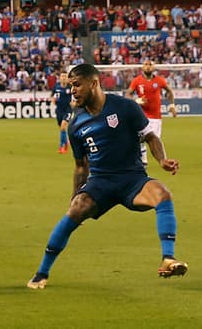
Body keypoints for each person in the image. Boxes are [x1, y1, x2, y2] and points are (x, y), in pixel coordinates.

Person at [27, 62, 185, 290]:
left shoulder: (125, 107)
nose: (72, 90)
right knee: (76, 210)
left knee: (162, 193)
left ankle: (168, 259)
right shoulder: (75, 124)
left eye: (77, 85)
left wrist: (161, 160)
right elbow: (81, 166)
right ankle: (42, 273)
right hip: (100, 183)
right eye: (70, 86)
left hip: (133, 179)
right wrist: (75, 196)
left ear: (93, 83)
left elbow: (150, 136)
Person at [127, 59, 176, 164]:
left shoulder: (160, 80)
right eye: (146, 64)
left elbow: (169, 91)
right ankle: (143, 161)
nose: (148, 66)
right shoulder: (137, 81)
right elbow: (128, 94)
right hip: (141, 115)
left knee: (155, 139)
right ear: (142, 67)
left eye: (150, 64)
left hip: (156, 117)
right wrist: (137, 100)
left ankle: (163, 160)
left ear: (154, 68)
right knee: (140, 140)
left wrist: (172, 105)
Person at [49, 71, 73, 154]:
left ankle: (61, 146)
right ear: (60, 78)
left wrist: (74, 102)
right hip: (59, 110)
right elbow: (52, 96)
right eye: (62, 76)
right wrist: (52, 100)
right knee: (61, 129)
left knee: (63, 126)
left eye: (65, 76)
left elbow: (76, 96)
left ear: (67, 78)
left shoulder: (70, 87)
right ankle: (66, 143)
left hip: (68, 110)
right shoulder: (56, 86)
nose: (63, 78)